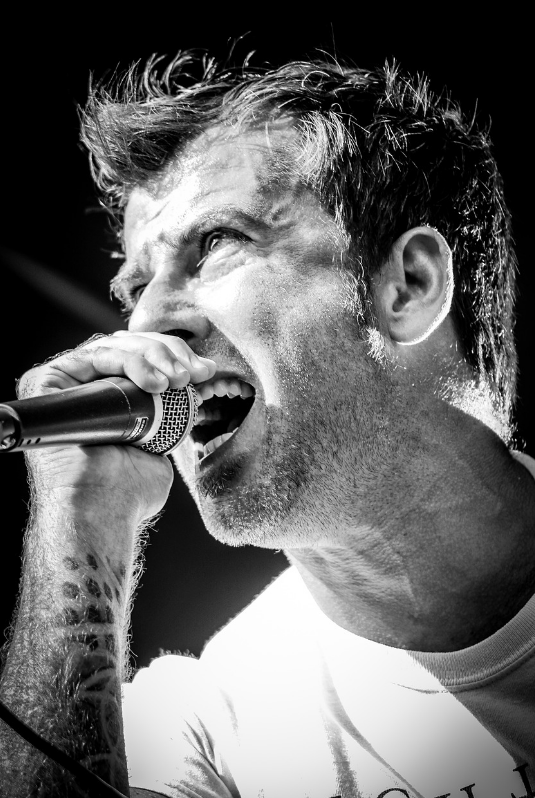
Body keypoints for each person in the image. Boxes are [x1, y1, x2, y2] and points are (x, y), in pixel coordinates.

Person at [0, 51, 534, 798]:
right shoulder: (207, 726)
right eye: (133, 291)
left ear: (408, 286)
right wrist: (79, 515)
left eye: (216, 243)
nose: (145, 323)